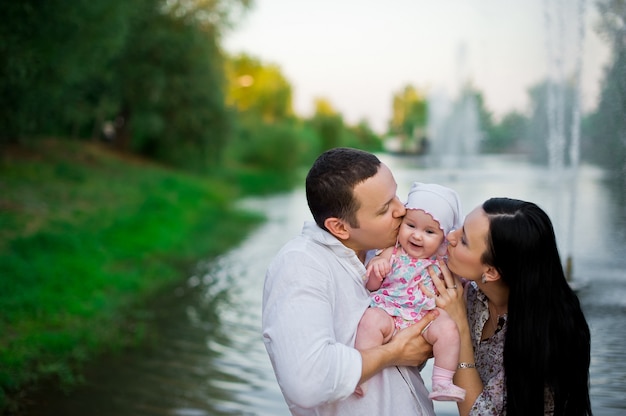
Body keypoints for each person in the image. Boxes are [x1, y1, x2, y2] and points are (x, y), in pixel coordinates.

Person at [262, 147, 438, 416]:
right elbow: (307, 381)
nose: (402, 210)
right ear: (340, 227)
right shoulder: (301, 265)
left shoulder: (384, 254)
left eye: (396, 196)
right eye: (384, 209)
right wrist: (394, 352)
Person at [426, 197, 592, 416]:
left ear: (491, 272)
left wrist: (461, 328)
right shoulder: (473, 296)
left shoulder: (545, 337)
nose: (450, 236)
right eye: (460, 227)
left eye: (464, 240)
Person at [355, 182, 465, 402]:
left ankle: (442, 381)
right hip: (390, 311)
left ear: (443, 239)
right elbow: (372, 286)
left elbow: (462, 280)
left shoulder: (442, 259)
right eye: (411, 225)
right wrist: (377, 270)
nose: (417, 236)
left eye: (429, 231)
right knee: (370, 320)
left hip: (425, 316)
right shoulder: (391, 251)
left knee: (449, 330)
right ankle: (360, 373)